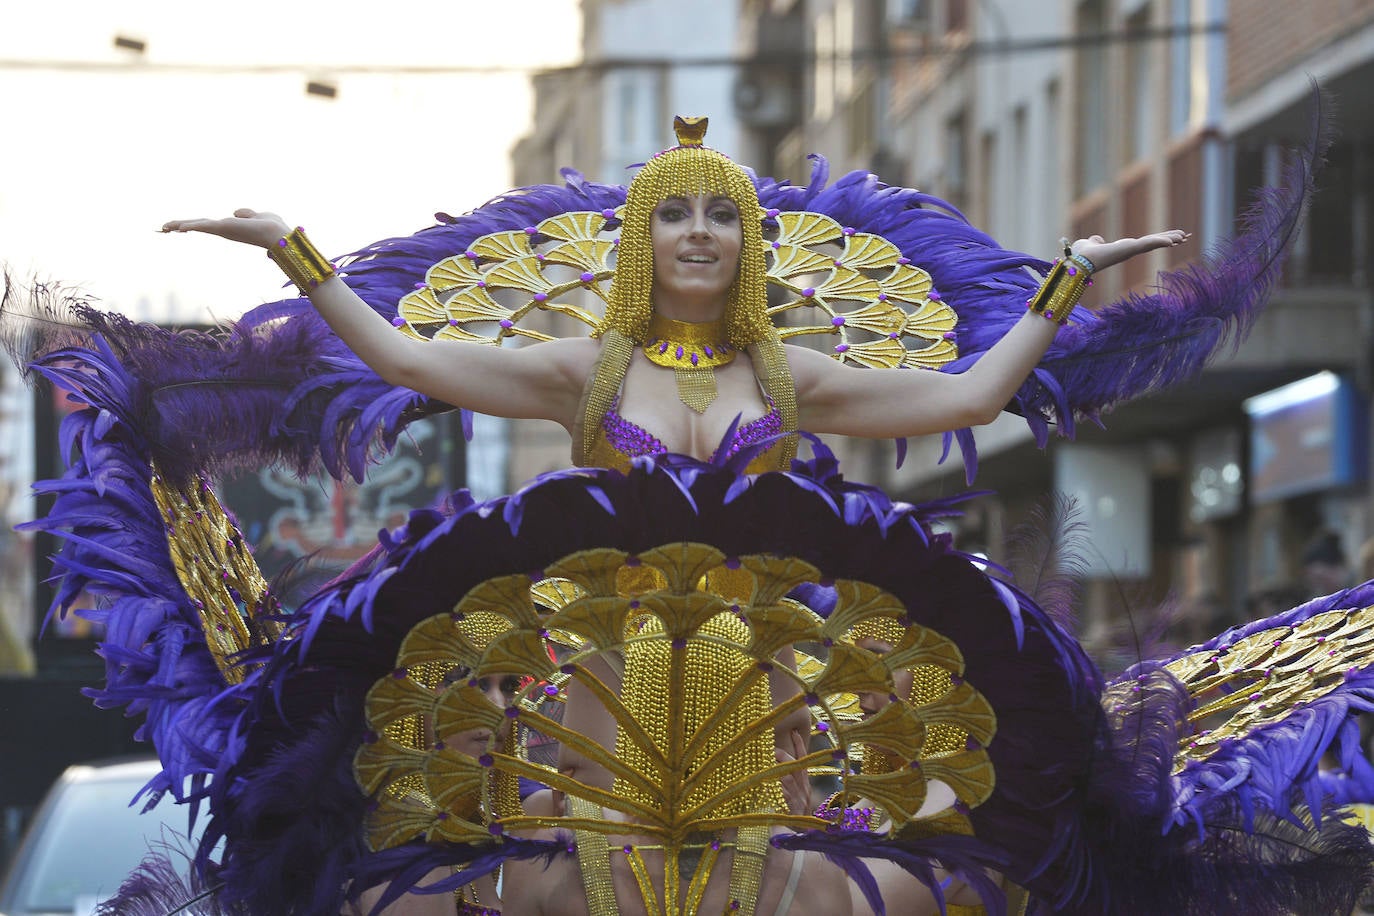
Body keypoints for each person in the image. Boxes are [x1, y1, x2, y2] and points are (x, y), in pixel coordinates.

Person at [29, 112, 1374, 916]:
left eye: (714, 220)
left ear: (742, 247)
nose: (690, 236)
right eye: (668, 216)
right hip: (589, 701)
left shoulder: (801, 378)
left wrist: (1062, 286)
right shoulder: (582, 369)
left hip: (784, 696)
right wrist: (295, 252)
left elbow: (967, 394)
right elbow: (408, 364)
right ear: (639, 244)